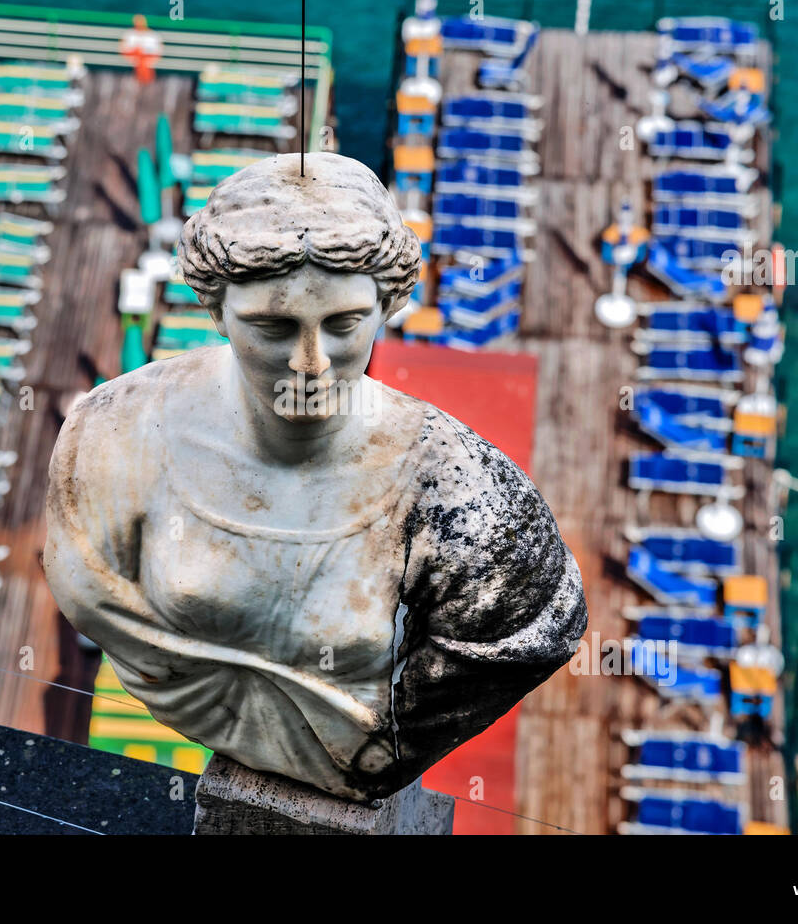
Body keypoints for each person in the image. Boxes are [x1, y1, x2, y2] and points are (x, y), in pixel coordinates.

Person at [44, 153, 585, 802]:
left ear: (388, 305)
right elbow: (89, 586)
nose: (310, 362)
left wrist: (380, 743)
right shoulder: (111, 434)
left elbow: (530, 635)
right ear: (216, 311)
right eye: (273, 326)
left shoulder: (470, 499)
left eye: (345, 323)